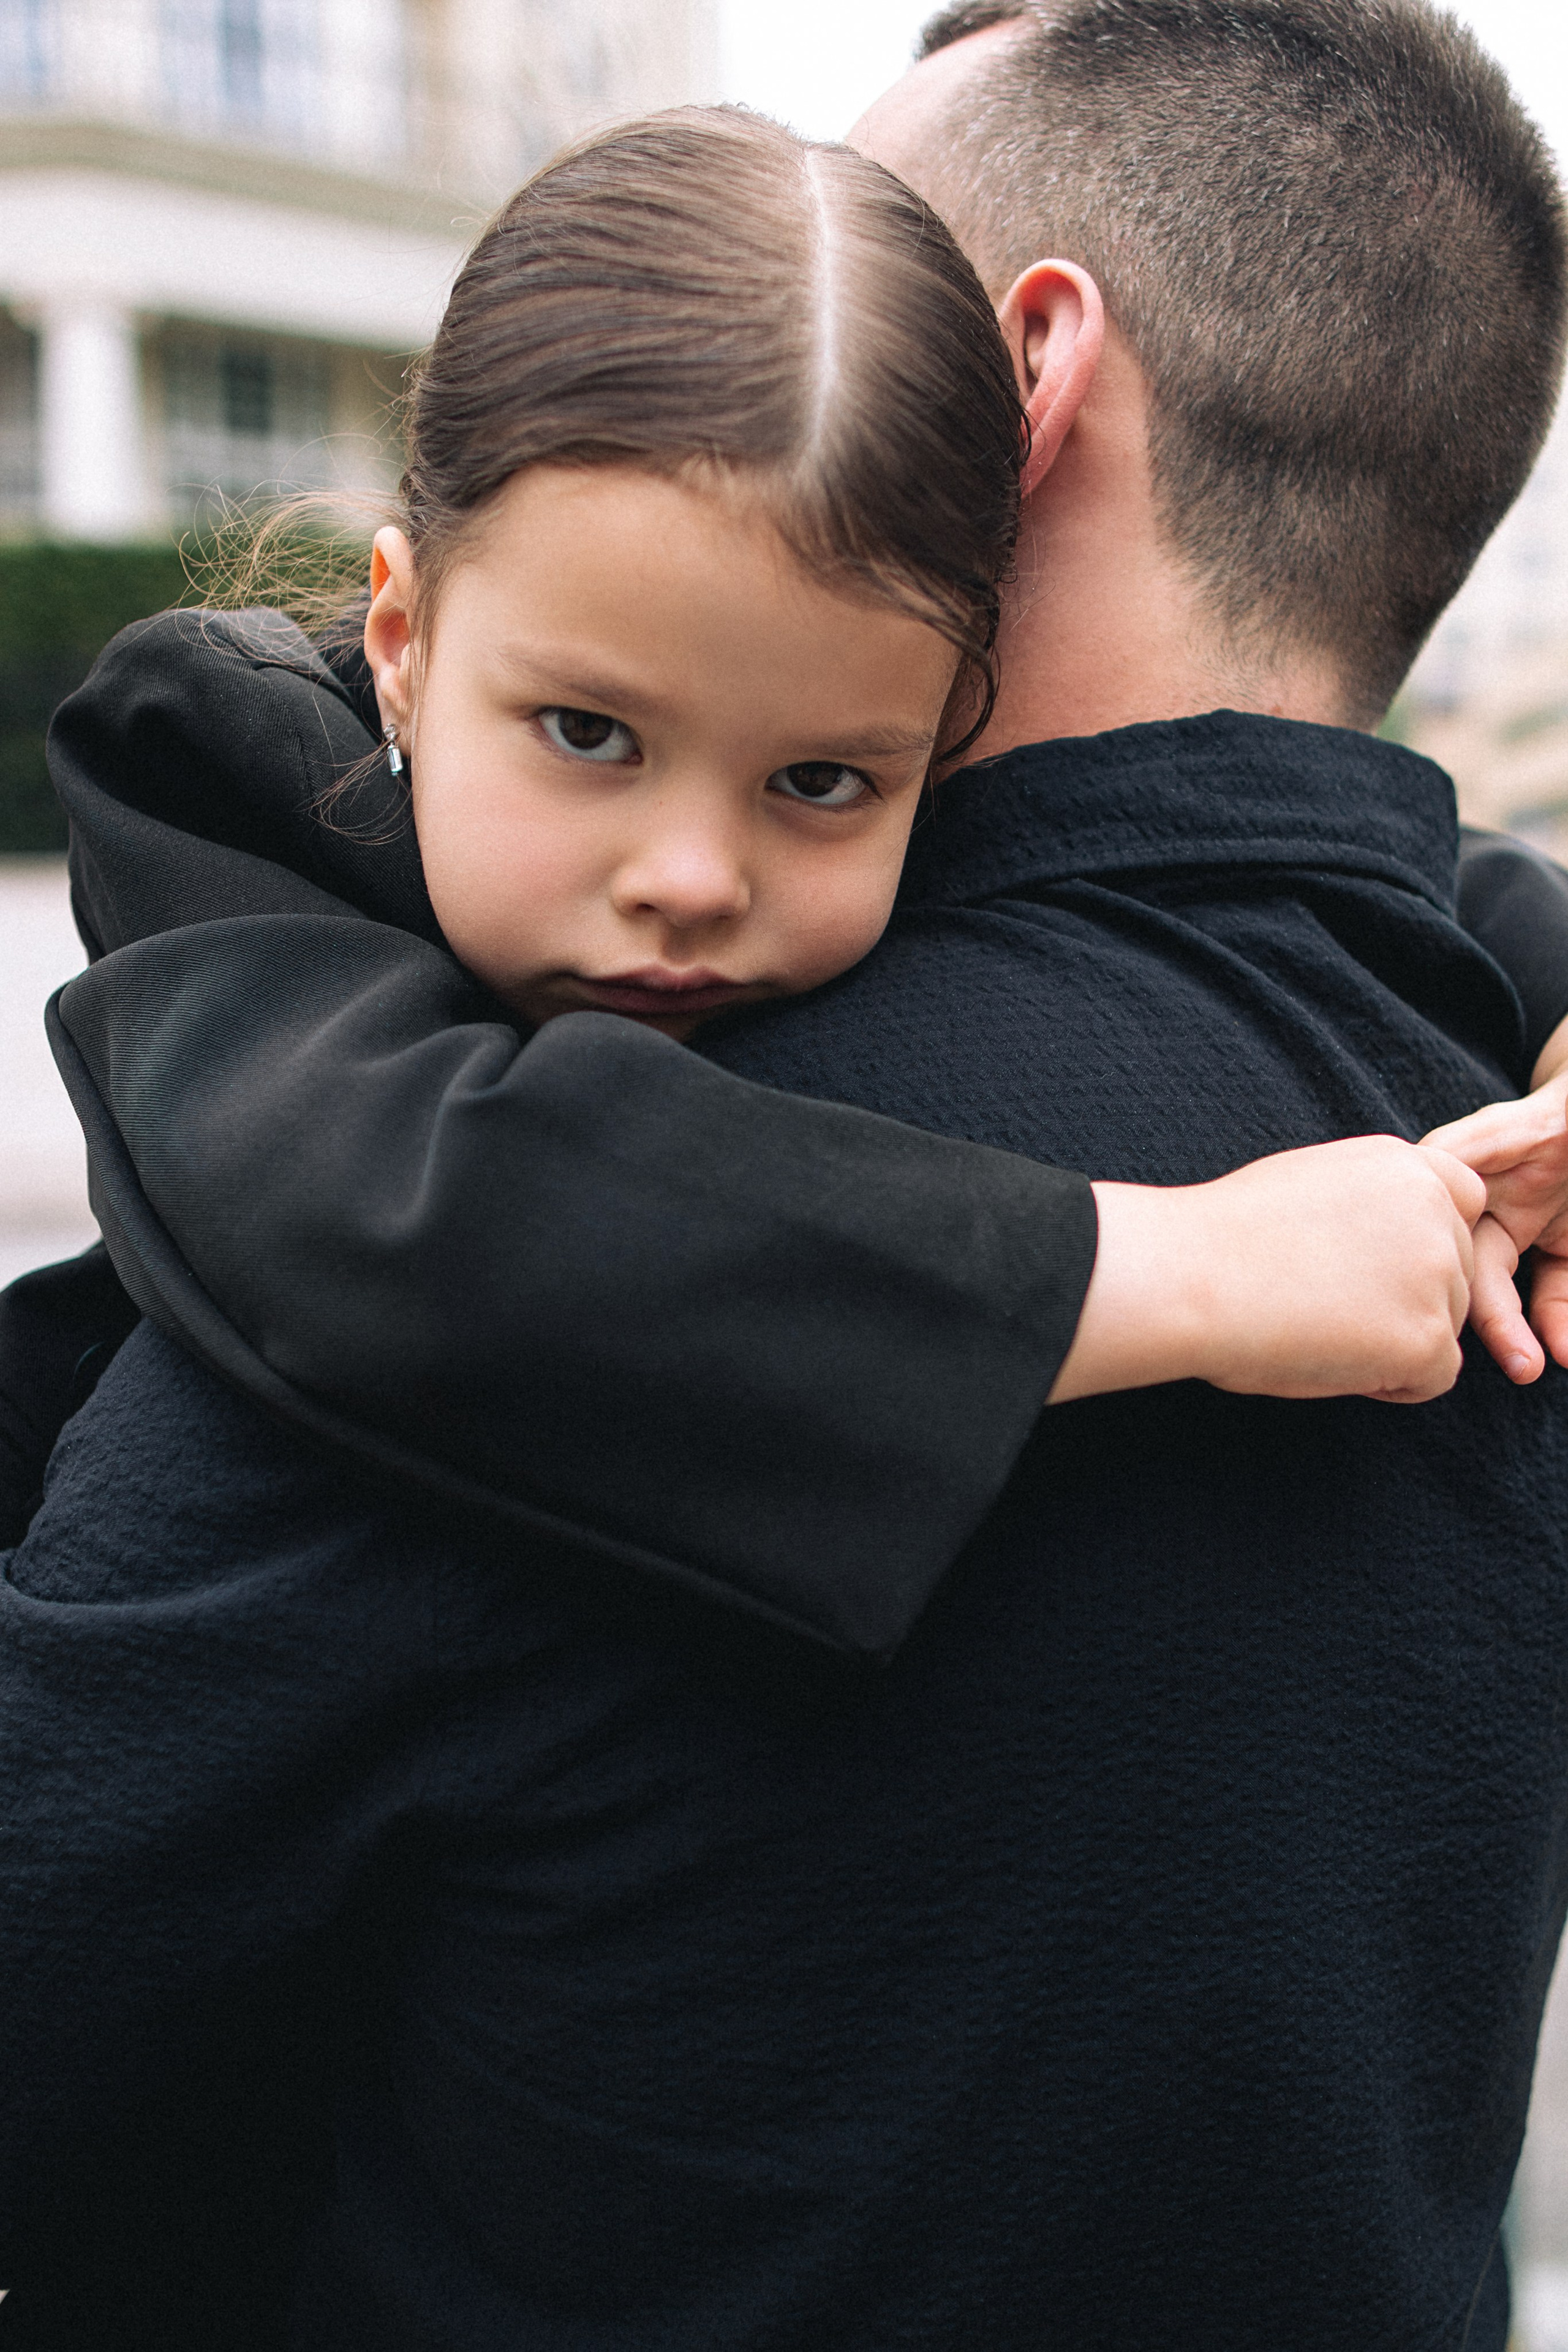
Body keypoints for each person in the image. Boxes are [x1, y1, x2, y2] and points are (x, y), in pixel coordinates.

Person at [6, 5, 1568, 2347]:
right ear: (412, 630)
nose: (684, 887)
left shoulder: (423, 1321)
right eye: (588, 735)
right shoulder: (1483, 1119)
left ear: (1018, 383)